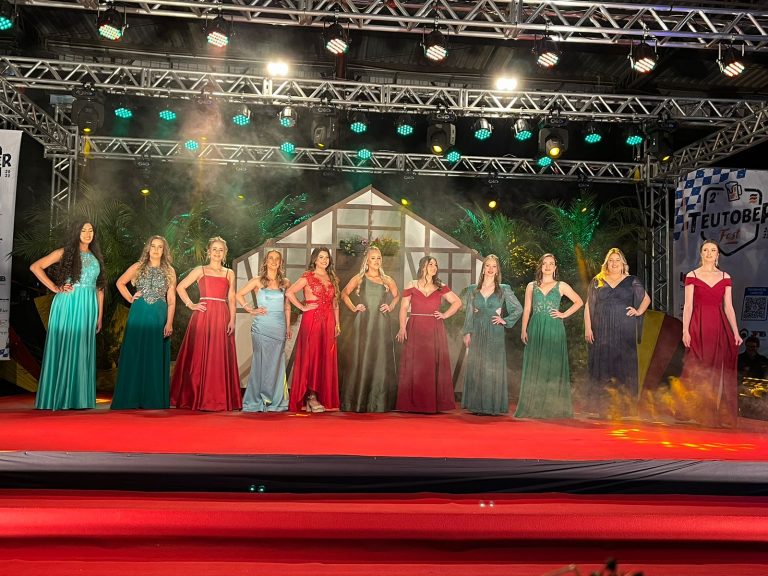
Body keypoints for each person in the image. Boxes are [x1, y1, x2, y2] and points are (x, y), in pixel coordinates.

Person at [30, 221, 105, 410]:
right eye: (83, 230)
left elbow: (100, 288)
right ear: (76, 232)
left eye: (91, 230)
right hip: (69, 304)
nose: (87, 233)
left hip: (88, 306)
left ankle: (78, 398)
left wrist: (99, 315)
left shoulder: (96, 256)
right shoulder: (65, 252)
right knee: (67, 345)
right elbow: (36, 267)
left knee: (81, 348)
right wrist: (55, 287)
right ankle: (61, 397)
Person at [171, 236, 241, 411]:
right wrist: (191, 304)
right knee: (199, 356)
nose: (217, 252)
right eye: (214, 249)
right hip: (203, 315)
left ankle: (218, 398)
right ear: (208, 252)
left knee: (218, 357)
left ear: (225, 253)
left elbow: (232, 298)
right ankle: (196, 397)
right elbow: (180, 287)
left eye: (220, 250)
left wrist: (232, 319)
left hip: (222, 315)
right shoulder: (200, 270)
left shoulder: (229, 273)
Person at [681, 239, 742, 427]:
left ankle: (713, 412)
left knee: (716, 370)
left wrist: (736, 332)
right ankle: (694, 410)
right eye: (706, 250)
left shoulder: (725, 277)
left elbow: (729, 307)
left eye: (713, 250)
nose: (709, 253)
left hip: (718, 325)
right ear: (701, 254)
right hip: (698, 324)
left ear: (718, 255)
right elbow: (688, 306)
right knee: (695, 367)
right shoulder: (692, 275)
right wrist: (685, 330)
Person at [584, 248, 651, 416]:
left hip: (624, 329)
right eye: (611, 260)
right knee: (602, 365)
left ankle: (623, 407)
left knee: (623, 366)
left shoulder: (632, 280)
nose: (614, 263)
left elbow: (646, 299)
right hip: (602, 328)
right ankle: (602, 407)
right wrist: (588, 327)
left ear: (623, 263)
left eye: (617, 260)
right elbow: (588, 305)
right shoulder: (598, 280)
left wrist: (638, 311)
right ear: (607, 263)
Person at [112, 235, 176, 409]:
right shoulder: (138, 266)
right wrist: (130, 298)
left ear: (164, 251)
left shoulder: (169, 271)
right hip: (139, 313)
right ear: (148, 248)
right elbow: (120, 283)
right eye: (153, 246)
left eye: (160, 247)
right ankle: (130, 398)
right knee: (135, 353)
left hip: (158, 315)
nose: (156, 250)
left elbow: (171, 300)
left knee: (154, 355)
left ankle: (152, 399)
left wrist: (169, 322)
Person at [515, 253, 583, 419]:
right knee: (536, 364)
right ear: (540, 266)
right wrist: (523, 329)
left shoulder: (561, 285)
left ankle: (553, 407)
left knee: (552, 364)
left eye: (551, 263)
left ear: (555, 267)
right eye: (545, 263)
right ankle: (534, 406)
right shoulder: (531, 286)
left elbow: (579, 301)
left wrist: (563, 314)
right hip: (536, 327)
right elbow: (527, 309)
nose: (547, 266)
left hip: (554, 328)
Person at [396, 255, 462, 413]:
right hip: (415, 327)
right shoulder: (412, 284)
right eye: (430, 264)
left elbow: (457, 302)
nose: (434, 267)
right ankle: (412, 404)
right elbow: (404, 308)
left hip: (434, 328)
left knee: (431, 365)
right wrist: (402, 327)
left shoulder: (440, 286)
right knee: (414, 365)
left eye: (435, 265)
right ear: (422, 266)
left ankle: (432, 403)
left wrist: (445, 315)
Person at [339, 246, 400, 412]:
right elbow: (344, 293)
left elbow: (397, 295)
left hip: (381, 323)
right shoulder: (360, 278)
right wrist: (354, 308)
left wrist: (391, 306)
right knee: (362, 357)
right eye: (373, 258)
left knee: (380, 358)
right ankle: (358, 402)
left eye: (379, 258)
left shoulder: (387, 279)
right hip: (363, 323)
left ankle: (379, 402)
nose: (376, 261)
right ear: (367, 261)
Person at [461, 254, 523, 415]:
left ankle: (492, 405)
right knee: (477, 365)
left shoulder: (504, 289)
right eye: (487, 266)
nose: (490, 269)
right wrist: (467, 332)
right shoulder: (473, 290)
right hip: (477, 330)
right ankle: (476, 405)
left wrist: (505, 320)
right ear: (483, 269)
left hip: (495, 331)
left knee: (492, 365)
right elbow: (468, 313)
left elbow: (518, 309)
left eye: (494, 266)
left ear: (497, 270)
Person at [236, 249, 292, 412]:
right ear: (266, 261)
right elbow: (239, 294)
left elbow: (287, 306)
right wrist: (250, 309)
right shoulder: (257, 281)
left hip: (279, 326)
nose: (274, 261)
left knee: (277, 363)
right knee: (260, 362)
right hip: (261, 327)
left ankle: (275, 400)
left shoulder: (285, 282)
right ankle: (257, 399)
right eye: (271, 258)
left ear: (281, 262)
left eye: (277, 259)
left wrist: (288, 326)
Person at [285, 247, 340, 413]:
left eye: (327, 257)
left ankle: (321, 396)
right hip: (312, 320)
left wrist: (337, 324)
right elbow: (289, 293)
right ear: (315, 259)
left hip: (329, 321)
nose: (324, 260)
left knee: (325, 357)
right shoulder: (308, 276)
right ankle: (310, 396)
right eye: (321, 257)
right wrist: (303, 307)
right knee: (312, 357)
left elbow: (335, 303)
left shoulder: (332, 277)